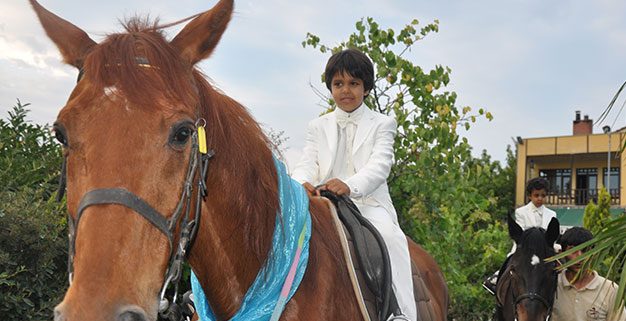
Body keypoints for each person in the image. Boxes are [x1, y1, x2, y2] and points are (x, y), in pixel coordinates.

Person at [291, 48, 416, 320]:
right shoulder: (317, 125)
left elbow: (379, 166)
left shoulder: (383, 123)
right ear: (330, 87)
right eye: (338, 84)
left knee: (390, 237)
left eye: (353, 83)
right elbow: (307, 162)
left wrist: (349, 185)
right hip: (324, 201)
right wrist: (300, 183)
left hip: (367, 203)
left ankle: (401, 312)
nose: (345, 90)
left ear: (367, 88)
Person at [483, 177, 558, 293]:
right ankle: (497, 278)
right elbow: (521, 232)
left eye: (543, 195)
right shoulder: (521, 212)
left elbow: (551, 234)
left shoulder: (552, 214)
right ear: (530, 196)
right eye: (536, 195)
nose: (540, 198)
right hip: (525, 245)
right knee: (511, 257)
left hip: (544, 248)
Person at [552, 227, 625, 321]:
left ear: (594, 254)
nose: (579, 257)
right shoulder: (553, 286)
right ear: (561, 253)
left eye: (585, 250)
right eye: (572, 250)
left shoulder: (610, 290)